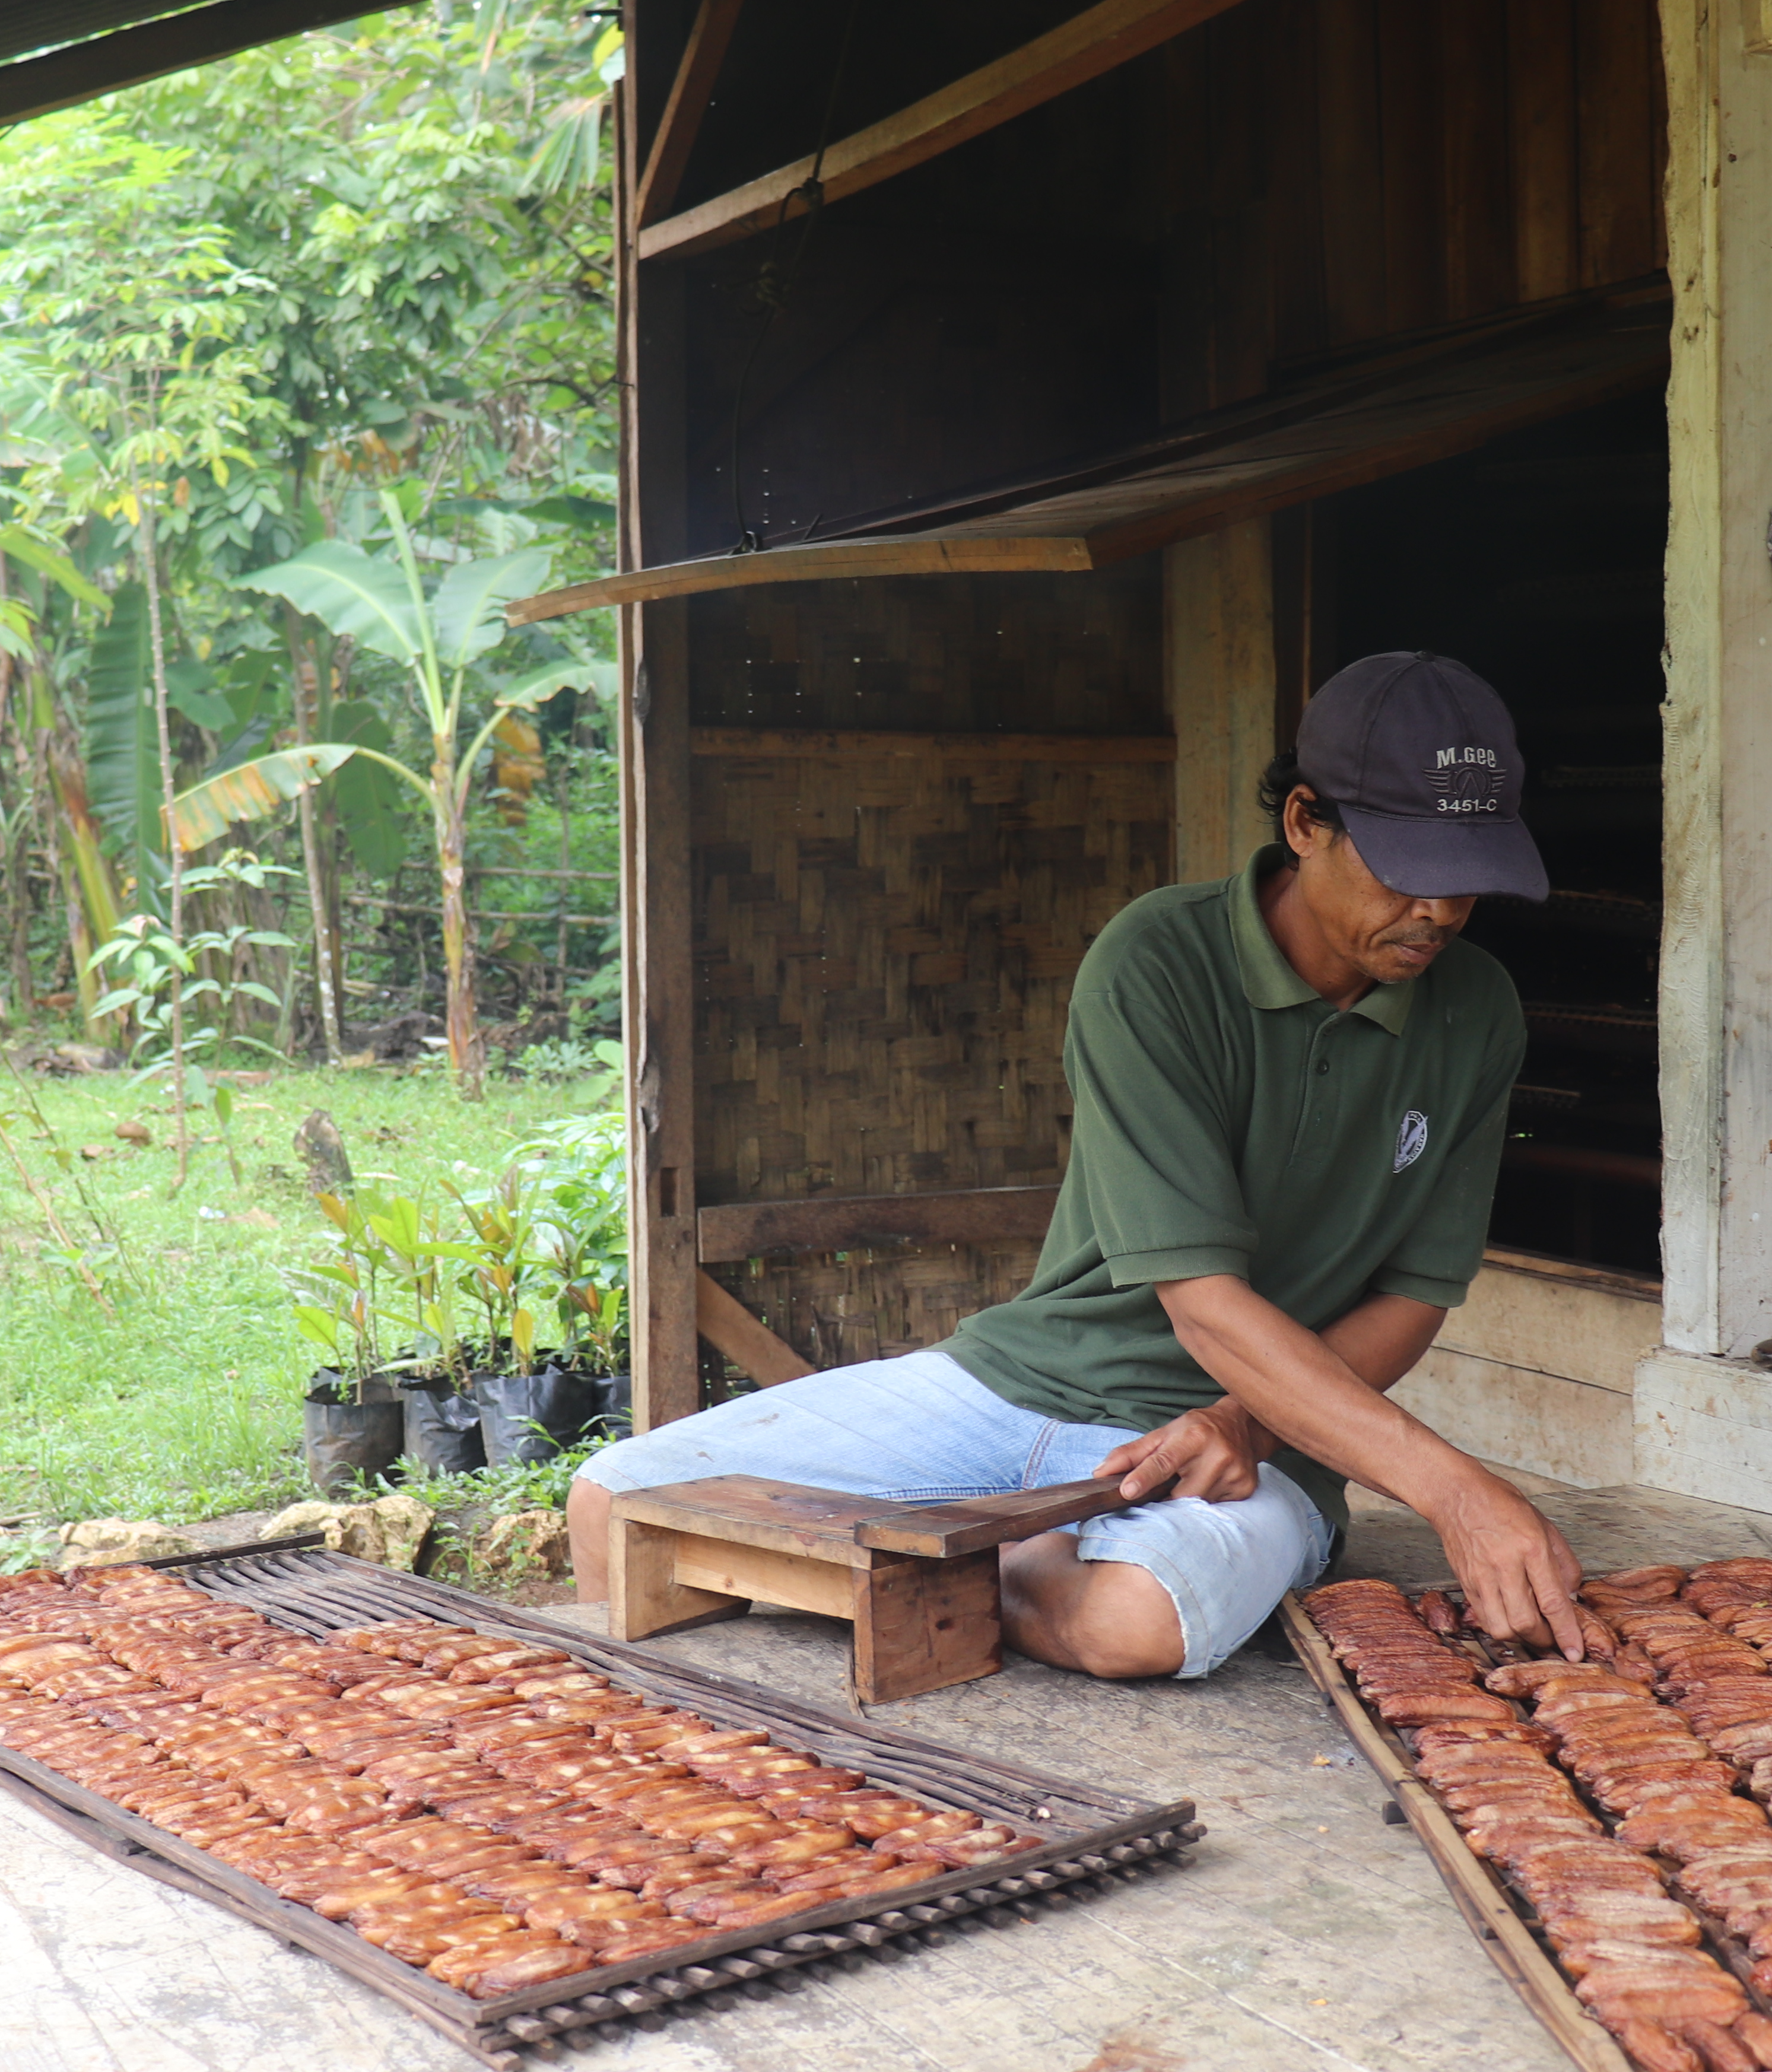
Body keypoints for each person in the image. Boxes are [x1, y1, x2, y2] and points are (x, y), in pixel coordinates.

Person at [565, 650, 1586, 1677]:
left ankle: (968, 1565)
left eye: (1470, 879)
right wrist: (1459, 1491)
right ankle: (993, 1551)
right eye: (1410, 869)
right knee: (617, 1506)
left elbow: (1414, 1295)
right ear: (1307, 822)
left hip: (1247, 1448)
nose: (1443, 912)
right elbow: (1202, 1303)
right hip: (1023, 1382)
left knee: (1130, 1628)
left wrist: (1246, 1423)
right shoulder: (1160, 963)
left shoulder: (1475, 1012)